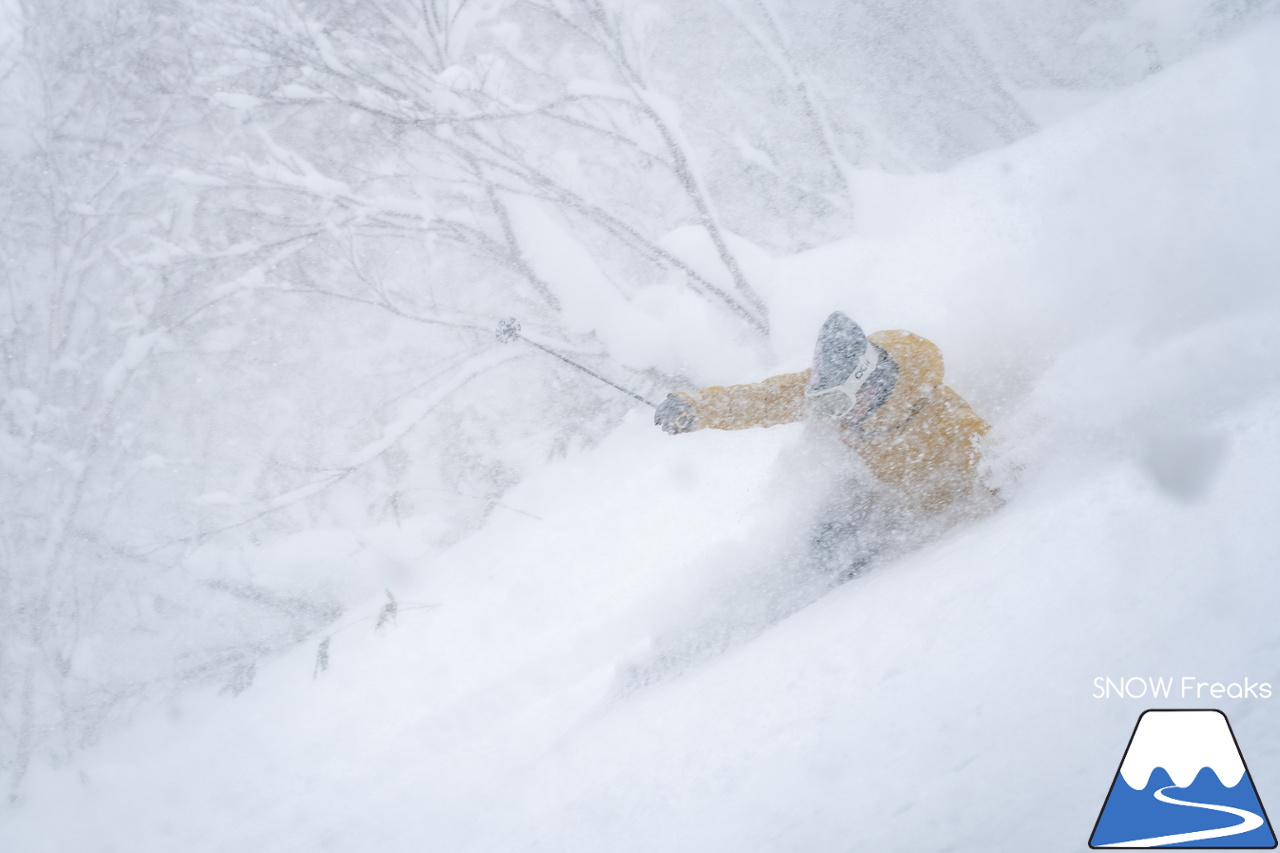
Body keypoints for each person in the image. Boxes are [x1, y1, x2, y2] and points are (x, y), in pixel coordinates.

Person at [654, 311, 999, 575]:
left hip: (921, 520)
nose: (835, 416)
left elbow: (991, 461)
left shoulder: (940, 420)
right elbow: (763, 400)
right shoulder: (843, 396)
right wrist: (695, 408)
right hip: (877, 500)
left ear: (870, 384)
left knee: (865, 551)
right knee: (827, 532)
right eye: (824, 405)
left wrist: (994, 485)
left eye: (838, 404)